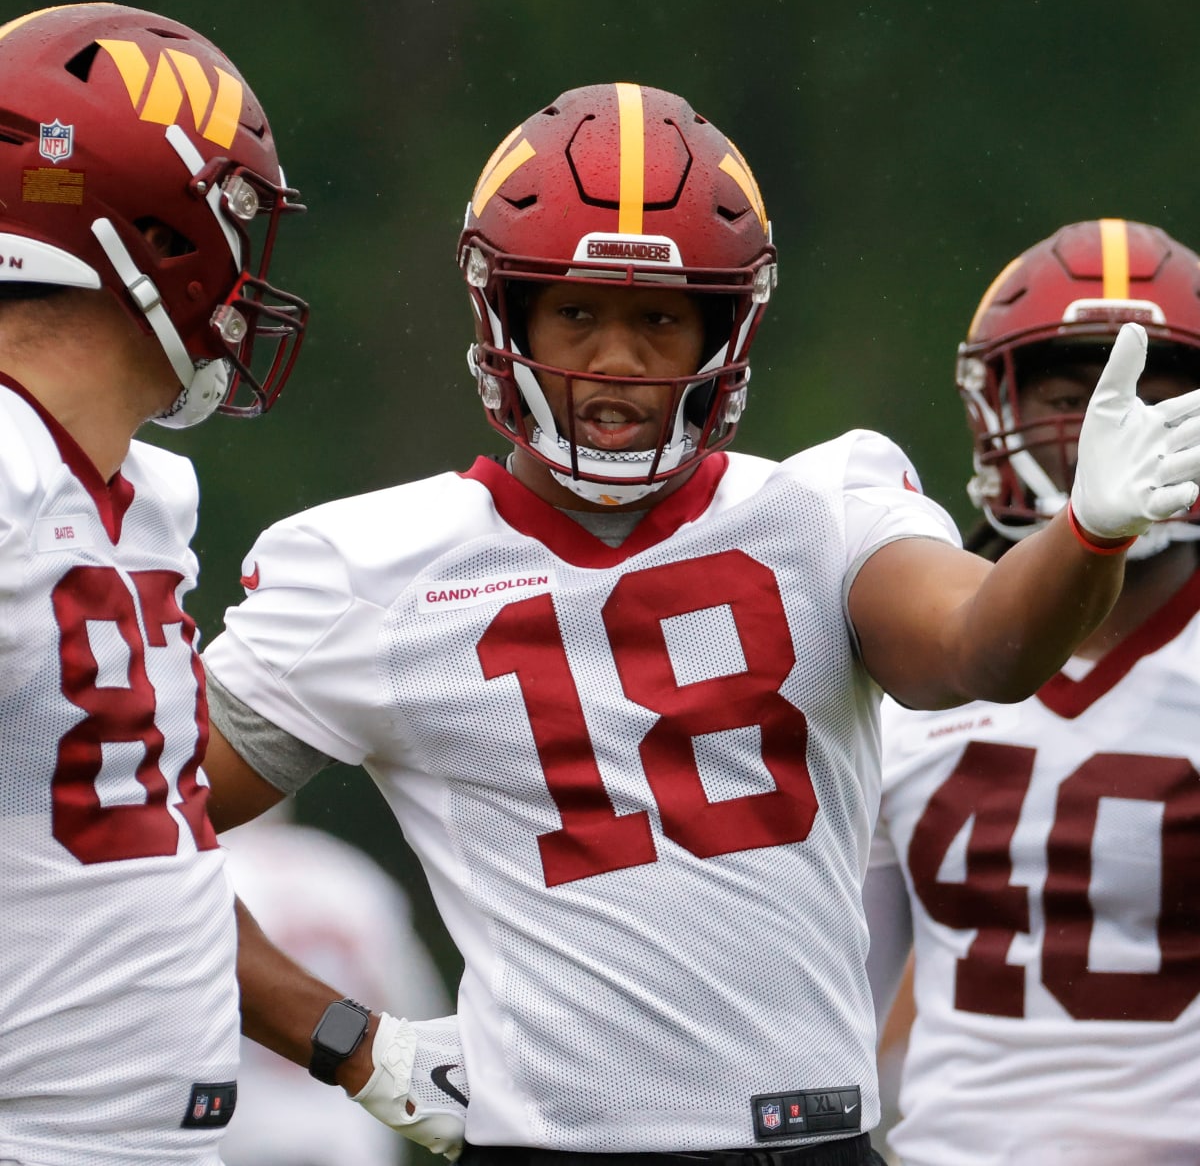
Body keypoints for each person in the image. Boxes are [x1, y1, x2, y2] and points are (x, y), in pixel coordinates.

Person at [200, 85, 1200, 1165]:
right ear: (509, 314)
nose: (617, 357)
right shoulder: (376, 565)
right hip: (553, 1148)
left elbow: (980, 651)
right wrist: (349, 1042)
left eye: (659, 318)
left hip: (815, 1143)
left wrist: (1086, 537)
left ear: (726, 328)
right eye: (577, 311)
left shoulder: (826, 508)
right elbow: (122, 834)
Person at [0, 1, 308, 1166]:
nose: (247, 267)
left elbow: (143, 842)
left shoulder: (142, 494)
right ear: (156, 228)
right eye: (233, 219)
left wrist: (353, 1045)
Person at [864, 218, 1200, 1165]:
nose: (1112, 431)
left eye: (1156, 398)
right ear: (995, 407)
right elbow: (824, 986)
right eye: (1071, 397)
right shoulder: (913, 654)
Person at [219, 807, 453, 1166]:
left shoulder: (201, 880)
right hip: (349, 1129)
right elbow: (420, 1015)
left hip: (242, 1128)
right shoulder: (349, 874)